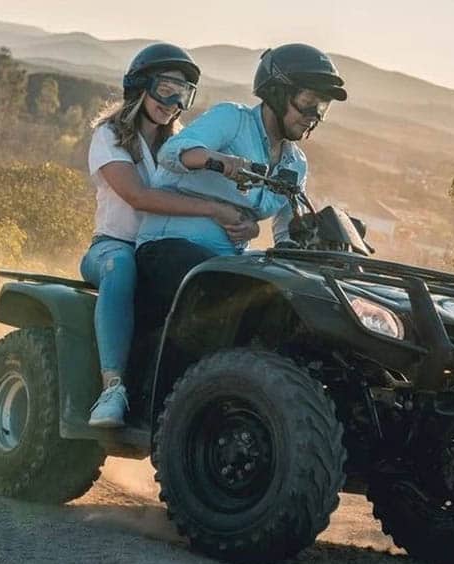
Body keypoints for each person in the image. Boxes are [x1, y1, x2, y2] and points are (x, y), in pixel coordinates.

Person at [82, 43, 253, 428]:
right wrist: (211, 210)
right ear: (141, 85)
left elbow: (219, 191)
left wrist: (247, 221)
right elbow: (138, 196)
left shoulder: (180, 147)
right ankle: (112, 388)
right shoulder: (109, 136)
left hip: (158, 249)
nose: (173, 100)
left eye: (183, 93)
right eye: (166, 87)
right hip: (113, 245)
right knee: (120, 266)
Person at [135, 43, 347, 325]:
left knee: (287, 307)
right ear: (278, 92)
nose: (315, 115)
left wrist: (309, 245)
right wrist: (220, 161)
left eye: (323, 107)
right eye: (309, 101)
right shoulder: (232, 119)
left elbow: (286, 231)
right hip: (167, 248)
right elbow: (171, 153)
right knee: (225, 301)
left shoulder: (295, 164)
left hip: (227, 263)